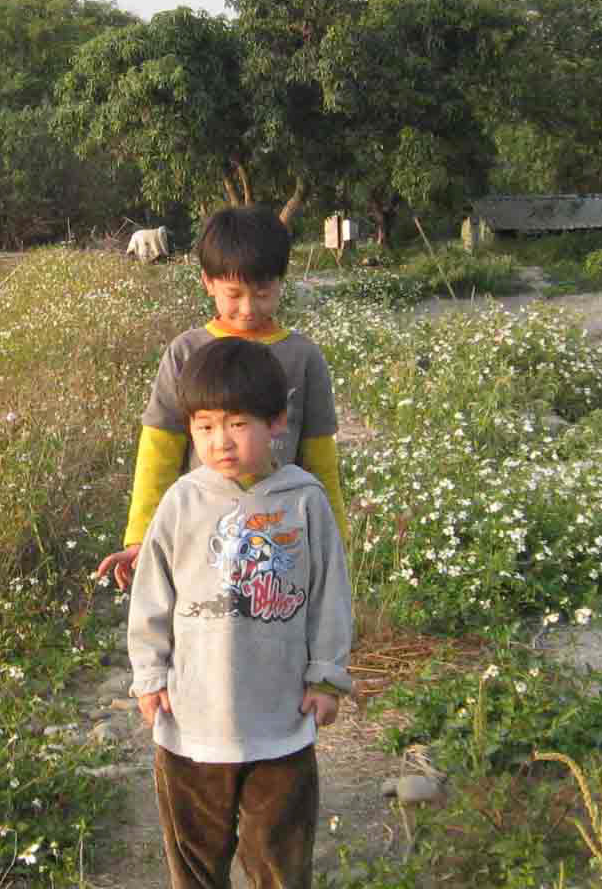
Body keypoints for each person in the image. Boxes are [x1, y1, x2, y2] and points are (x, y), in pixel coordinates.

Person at [128, 336, 353, 889]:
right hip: (191, 723)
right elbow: (152, 596)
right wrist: (150, 676)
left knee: (279, 858)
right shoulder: (182, 501)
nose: (220, 442)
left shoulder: (304, 500)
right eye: (204, 426)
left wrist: (327, 677)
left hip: (280, 722)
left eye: (237, 424)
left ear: (277, 422)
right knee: (196, 862)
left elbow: (329, 595)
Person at [95, 205, 345, 591]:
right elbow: (159, 449)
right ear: (207, 282)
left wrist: (335, 542)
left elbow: (321, 458)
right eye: (233, 294)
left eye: (262, 293)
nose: (248, 308)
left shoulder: (303, 358)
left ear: (281, 282)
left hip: (280, 541)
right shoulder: (185, 353)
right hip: (200, 538)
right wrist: (141, 538)